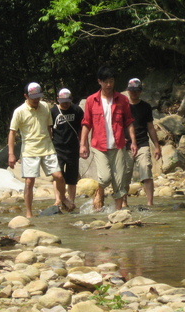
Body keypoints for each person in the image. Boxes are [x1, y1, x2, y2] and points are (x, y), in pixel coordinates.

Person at [8, 82, 73, 218]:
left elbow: (49, 127)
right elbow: (12, 133)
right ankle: (29, 213)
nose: (37, 100)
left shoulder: (45, 107)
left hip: (47, 148)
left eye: (38, 96)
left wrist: (52, 142)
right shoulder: (19, 111)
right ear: (26, 96)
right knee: (29, 182)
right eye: (34, 97)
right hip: (30, 150)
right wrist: (11, 154)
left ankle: (62, 198)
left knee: (59, 176)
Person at [80, 66, 137, 211]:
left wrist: (133, 141)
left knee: (119, 182)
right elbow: (86, 124)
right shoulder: (91, 100)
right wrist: (83, 144)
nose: (109, 85)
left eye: (111, 81)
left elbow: (129, 122)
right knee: (105, 178)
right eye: (105, 81)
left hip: (118, 145)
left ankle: (117, 213)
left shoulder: (122, 100)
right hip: (99, 146)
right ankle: (100, 191)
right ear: (99, 82)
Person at [122, 78, 161, 206]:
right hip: (126, 145)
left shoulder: (146, 107)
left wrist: (156, 146)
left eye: (137, 90)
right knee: (125, 175)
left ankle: (150, 203)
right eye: (132, 90)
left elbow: (150, 127)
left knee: (146, 171)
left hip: (142, 143)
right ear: (128, 90)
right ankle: (124, 203)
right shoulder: (123, 106)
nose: (134, 93)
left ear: (140, 91)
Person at [50, 88, 84, 208]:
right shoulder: (53, 111)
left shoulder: (77, 110)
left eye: (67, 101)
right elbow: (50, 129)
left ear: (71, 99)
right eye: (63, 101)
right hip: (57, 148)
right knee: (57, 175)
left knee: (72, 177)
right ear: (58, 99)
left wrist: (83, 144)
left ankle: (71, 200)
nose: (65, 103)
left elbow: (81, 128)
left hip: (73, 147)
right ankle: (58, 200)